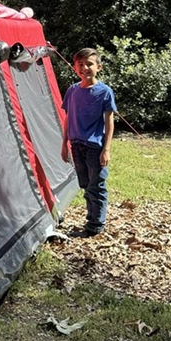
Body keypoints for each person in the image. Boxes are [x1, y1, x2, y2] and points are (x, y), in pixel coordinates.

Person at [60, 47, 117, 237]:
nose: (84, 68)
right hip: (76, 145)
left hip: (94, 146)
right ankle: (92, 218)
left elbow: (109, 122)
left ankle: (95, 226)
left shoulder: (104, 92)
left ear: (98, 67)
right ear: (75, 67)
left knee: (96, 185)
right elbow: (68, 118)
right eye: (80, 65)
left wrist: (106, 149)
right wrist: (64, 144)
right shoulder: (72, 91)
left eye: (89, 64)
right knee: (85, 184)